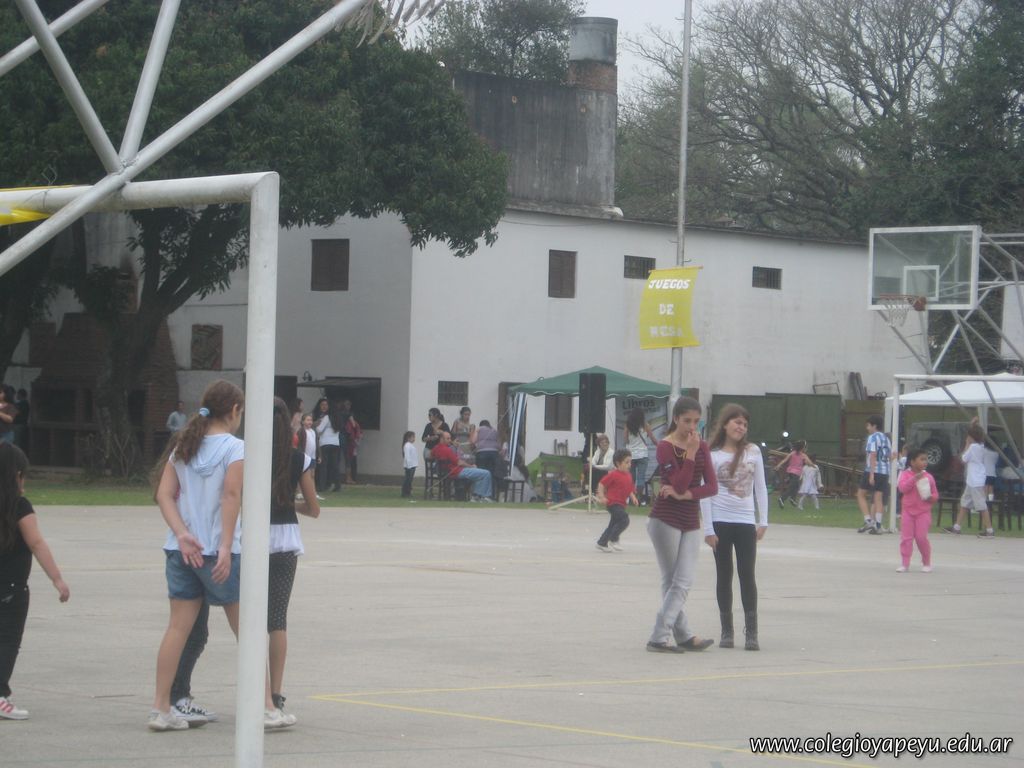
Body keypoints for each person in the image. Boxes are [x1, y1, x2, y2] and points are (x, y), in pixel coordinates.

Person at [150, 379, 288, 731]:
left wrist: (182, 533)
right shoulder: (234, 448)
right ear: (235, 411)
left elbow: (164, 494)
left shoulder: (184, 444)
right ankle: (265, 706)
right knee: (248, 631)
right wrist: (225, 546)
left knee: (177, 629)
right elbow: (231, 496)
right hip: (216, 552)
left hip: (181, 550)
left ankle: (161, 707)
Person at [0, 443, 70, 720]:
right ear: (16, 475)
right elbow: (36, 543)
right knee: (7, 641)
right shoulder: (19, 506)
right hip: (12, 589)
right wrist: (57, 578)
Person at [646, 396, 718, 653]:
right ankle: (660, 636)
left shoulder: (702, 446)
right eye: (687, 421)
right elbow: (678, 483)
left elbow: (711, 487)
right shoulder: (665, 446)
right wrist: (689, 454)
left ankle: (682, 634)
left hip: (690, 519)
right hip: (665, 518)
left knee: (682, 580)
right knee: (674, 581)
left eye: (697, 422)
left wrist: (687, 495)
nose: (692, 427)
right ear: (676, 419)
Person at [268, 398, 320, 724]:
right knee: (277, 619)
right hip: (285, 540)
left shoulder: (247, 454)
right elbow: (314, 509)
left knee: (249, 618)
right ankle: (274, 695)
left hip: (252, 537)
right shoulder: (297, 458)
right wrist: (291, 503)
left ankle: (256, 690)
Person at [700, 404, 768, 651]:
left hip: (745, 521)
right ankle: (726, 630)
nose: (741, 427)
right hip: (720, 520)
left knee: (747, 574)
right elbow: (705, 492)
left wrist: (763, 521)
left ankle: (752, 632)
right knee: (724, 574)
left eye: (745, 424)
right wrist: (709, 529)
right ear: (725, 424)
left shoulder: (753, 452)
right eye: (737, 422)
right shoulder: (712, 454)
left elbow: (760, 488)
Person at [944, 423, 995, 538]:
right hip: (973, 480)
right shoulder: (981, 446)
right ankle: (957, 527)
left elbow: (963, 459)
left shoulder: (973, 447)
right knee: (964, 503)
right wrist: (973, 424)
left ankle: (989, 530)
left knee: (981, 505)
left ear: (972, 437)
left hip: (975, 481)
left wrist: (967, 444)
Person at [896, 447, 937, 572]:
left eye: (926, 459)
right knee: (906, 538)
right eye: (921, 459)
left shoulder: (929, 477)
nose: (925, 462)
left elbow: (935, 494)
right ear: (912, 462)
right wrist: (914, 479)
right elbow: (902, 488)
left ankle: (926, 562)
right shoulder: (905, 474)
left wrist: (931, 498)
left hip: (923, 512)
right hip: (908, 511)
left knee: (921, 537)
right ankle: (905, 563)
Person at [595, 449, 638, 552]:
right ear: (618, 463)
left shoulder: (629, 475)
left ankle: (602, 543)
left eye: (630, 462)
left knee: (613, 524)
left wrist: (633, 497)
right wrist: (601, 497)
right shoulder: (613, 474)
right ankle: (613, 539)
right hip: (613, 503)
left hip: (621, 504)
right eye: (626, 462)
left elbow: (629, 488)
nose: (629, 465)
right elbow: (601, 484)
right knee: (624, 519)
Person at [431, 431, 493, 501]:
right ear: (442, 439)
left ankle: (476, 496)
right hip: (457, 472)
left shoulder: (435, 448)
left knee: (479, 475)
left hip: (446, 472)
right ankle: (485, 496)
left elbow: (431, 456)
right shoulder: (447, 450)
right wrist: (471, 466)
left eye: (450, 438)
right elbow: (459, 463)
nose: (450, 440)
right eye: (448, 439)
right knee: (486, 473)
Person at [856, 415, 891, 534]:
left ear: (874, 426)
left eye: (868, 425)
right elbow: (888, 455)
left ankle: (868, 520)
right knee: (878, 498)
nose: (867, 428)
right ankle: (878, 525)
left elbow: (873, 454)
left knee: (861, 494)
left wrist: (871, 474)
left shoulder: (873, 437)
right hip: (884, 471)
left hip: (873, 470)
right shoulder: (886, 438)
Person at [624, 407, 655, 504]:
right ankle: (639, 498)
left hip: (631, 455)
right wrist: (660, 445)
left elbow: (626, 440)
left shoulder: (628, 425)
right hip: (643, 454)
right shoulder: (646, 425)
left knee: (631, 478)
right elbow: (653, 439)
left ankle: (631, 499)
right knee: (641, 477)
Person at [314, 398, 342, 493]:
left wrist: (315, 425)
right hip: (336, 443)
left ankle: (322, 486)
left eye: (326, 405)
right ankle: (337, 485)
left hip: (325, 443)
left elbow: (319, 430)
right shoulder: (337, 418)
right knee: (335, 465)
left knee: (323, 466)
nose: (324, 407)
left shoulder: (326, 417)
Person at [774, 439, 810, 509]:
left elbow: (785, 460)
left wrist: (778, 465)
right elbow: (807, 462)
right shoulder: (802, 455)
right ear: (802, 448)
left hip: (791, 472)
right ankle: (782, 498)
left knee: (796, 486)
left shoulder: (793, 453)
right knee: (791, 487)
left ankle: (792, 499)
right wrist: (778, 465)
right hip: (795, 473)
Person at [473, 420, 501, 494]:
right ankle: (491, 494)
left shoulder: (479, 429)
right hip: (494, 453)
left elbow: (473, 441)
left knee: (481, 473)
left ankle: (480, 494)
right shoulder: (494, 430)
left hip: (482, 453)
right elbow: (499, 445)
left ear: (481, 425)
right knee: (492, 474)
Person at [342, 401, 362, 484]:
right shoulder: (348, 414)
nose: (348, 406)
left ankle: (350, 477)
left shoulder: (340, 414)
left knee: (348, 459)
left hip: (344, 438)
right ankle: (349, 478)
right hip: (349, 439)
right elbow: (353, 425)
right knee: (349, 459)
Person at [401, 431, 418, 498]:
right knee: (408, 480)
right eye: (413, 437)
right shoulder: (407, 445)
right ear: (408, 438)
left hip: (412, 465)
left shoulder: (410, 445)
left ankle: (407, 492)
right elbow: (407, 456)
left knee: (409, 480)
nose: (414, 439)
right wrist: (409, 465)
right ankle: (405, 492)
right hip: (409, 466)